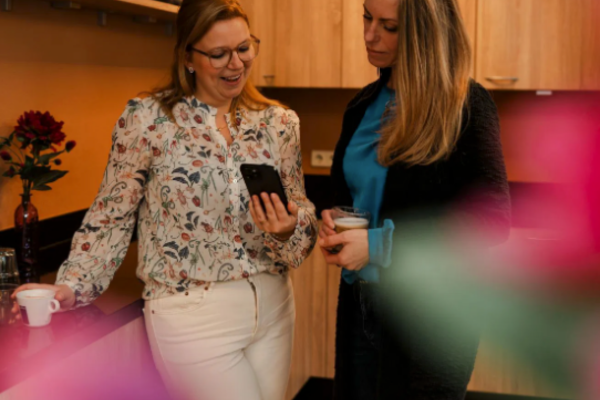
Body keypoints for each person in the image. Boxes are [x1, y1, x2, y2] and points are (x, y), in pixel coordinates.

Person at [12, 1, 317, 399]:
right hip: (193, 316)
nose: (236, 64)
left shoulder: (279, 122)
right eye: (219, 53)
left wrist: (290, 227)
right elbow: (112, 214)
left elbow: (302, 212)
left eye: (244, 48)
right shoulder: (148, 121)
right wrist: (72, 285)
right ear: (188, 57)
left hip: (275, 306)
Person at [318, 0, 511, 398]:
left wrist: (378, 245)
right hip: (362, 304)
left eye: (389, 26)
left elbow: (491, 221)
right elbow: (349, 197)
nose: (370, 35)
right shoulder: (360, 107)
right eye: (367, 17)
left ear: (425, 34)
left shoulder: (466, 104)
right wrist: (335, 223)